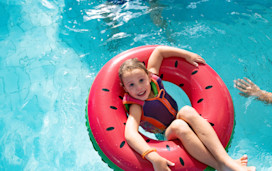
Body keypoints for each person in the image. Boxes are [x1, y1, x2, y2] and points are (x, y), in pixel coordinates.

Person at [118, 46, 256, 171]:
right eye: (131, 85)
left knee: (186, 110)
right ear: (124, 88)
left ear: (148, 76)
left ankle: (227, 161)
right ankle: (220, 166)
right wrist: (153, 157)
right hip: (165, 134)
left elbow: (159, 52)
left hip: (177, 116)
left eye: (141, 80)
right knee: (179, 125)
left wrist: (187, 55)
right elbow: (130, 134)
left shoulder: (153, 78)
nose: (139, 88)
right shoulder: (136, 106)